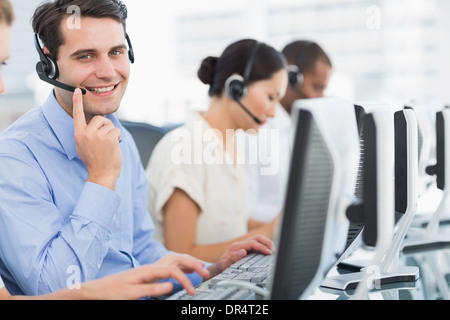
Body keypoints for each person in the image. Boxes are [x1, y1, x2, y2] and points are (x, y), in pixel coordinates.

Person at [0, 0, 273, 297]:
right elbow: (54, 288)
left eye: (116, 52)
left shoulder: (120, 137)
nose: (108, 72)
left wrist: (209, 273)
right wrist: (101, 179)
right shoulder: (14, 158)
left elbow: (140, 251)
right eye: (86, 56)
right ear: (49, 65)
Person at [145, 39, 288, 263]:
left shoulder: (232, 145)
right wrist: (269, 231)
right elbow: (180, 254)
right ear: (236, 87)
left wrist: (282, 224)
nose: (272, 113)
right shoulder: (184, 149)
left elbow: (229, 223)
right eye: (270, 97)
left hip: (224, 280)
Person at [246, 40, 333, 223]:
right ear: (291, 78)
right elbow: (243, 212)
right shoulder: (254, 131)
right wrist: (296, 219)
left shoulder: (302, 129)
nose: (320, 97)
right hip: (260, 240)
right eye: (317, 87)